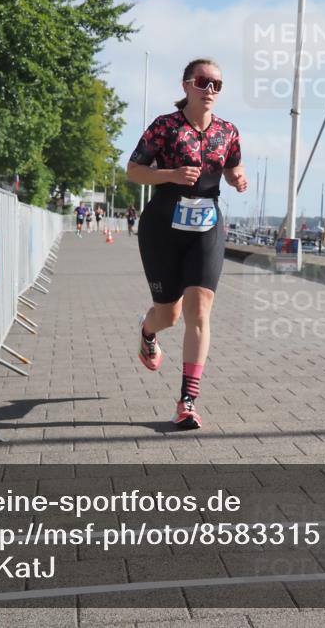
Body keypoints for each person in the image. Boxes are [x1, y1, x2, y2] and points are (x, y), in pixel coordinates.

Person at [126, 58, 247, 430]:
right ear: (186, 85)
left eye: (217, 85)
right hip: (163, 225)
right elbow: (133, 170)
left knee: (199, 310)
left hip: (207, 225)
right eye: (202, 82)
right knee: (170, 314)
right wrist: (172, 175)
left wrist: (237, 179)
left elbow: (231, 168)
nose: (209, 90)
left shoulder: (228, 131)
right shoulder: (165, 127)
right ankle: (148, 333)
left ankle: (187, 401)